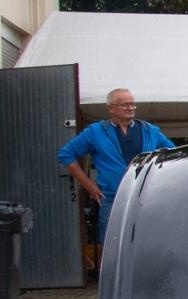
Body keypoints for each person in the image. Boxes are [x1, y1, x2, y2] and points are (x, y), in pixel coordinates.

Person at [57, 88, 174, 261]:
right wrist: (89, 186)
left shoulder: (150, 131)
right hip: (112, 198)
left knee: (146, 242)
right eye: (125, 104)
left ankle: (142, 282)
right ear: (111, 108)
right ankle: (111, 285)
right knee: (111, 245)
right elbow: (66, 155)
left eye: (133, 104)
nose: (131, 108)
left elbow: (174, 154)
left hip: (146, 197)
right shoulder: (96, 132)